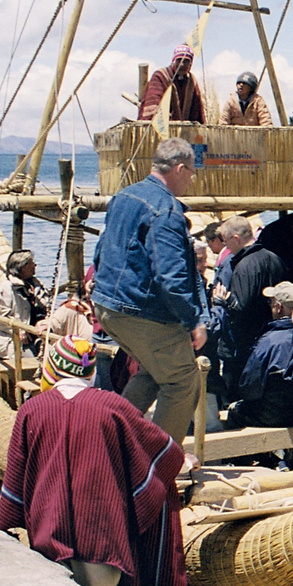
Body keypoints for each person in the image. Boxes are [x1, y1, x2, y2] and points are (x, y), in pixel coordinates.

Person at [0, 338, 193, 586]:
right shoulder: (114, 407)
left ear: (52, 369)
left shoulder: (31, 410)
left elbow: (17, 476)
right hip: (102, 538)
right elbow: (164, 452)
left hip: (47, 535)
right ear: (89, 374)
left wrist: (12, 521)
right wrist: (177, 464)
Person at [90, 136, 207, 441]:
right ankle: (159, 464)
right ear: (180, 169)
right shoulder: (166, 211)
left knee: (157, 372)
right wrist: (193, 320)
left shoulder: (125, 196)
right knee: (183, 379)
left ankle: (113, 440)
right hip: (139, 311)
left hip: (107, 306)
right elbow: (170, 276)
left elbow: (101, 252)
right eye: (192, 173)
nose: (191, 181)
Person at [230, 282, 293, 433]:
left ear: (278, 307)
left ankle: (258, 457)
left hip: (273, 416)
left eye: (271, 302)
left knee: (234, 412)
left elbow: (248, 388)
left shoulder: (269, 341)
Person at [217, 220, 287, 395]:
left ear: (236, 238)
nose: (226, 247)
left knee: (240, 385)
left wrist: (222, 301)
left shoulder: (244, 265)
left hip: (247, 341)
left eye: (226, 242)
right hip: (272, 334)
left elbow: (240, 307)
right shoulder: (274, 257)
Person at [0, 250, 50, 360]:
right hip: (12, 339)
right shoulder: (7, 287)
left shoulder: (35, 284)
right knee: (33, 360)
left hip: (37, 335)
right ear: (21, 267)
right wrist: (18, 330)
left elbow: (45, 308)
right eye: (31, 263)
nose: (34, 265)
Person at [139, 44, 205, 125]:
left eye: (186, 61)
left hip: (185, 132)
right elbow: (153, 108)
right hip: (161, 129)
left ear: (190, 64)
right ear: (174, 61)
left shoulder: (191, 82)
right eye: (179, 60)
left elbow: (197, 111)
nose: (182, 64)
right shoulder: (160, 77)